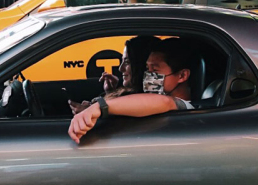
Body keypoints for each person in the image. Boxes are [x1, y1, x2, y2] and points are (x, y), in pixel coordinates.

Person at [68, 38, 201, 144]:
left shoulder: (185, 107)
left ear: (182, 76)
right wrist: (110, 93)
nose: (147, 75)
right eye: (146, 69)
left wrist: (99, 107)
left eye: (155, 70)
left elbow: (165, 102)